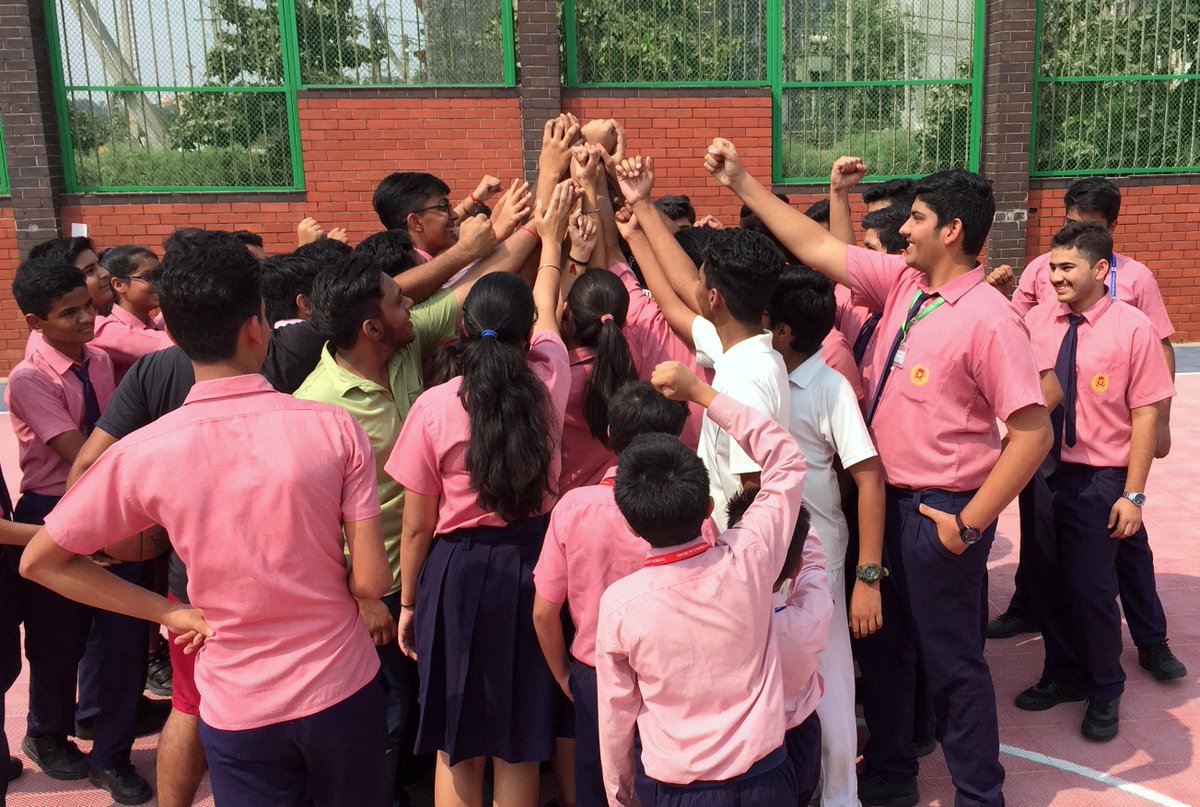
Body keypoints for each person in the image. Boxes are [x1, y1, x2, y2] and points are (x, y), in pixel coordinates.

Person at [709, 141, 1052, 807]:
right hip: (885, 504)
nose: (906, 228)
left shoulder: (990, 318)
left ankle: (981, 794)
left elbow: (1031, 431)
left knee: (952, 664)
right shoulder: (904, 285)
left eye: (918, 217)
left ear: (953, 230)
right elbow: (816, 246)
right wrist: (744, 182)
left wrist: (969, 522)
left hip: (940, 513)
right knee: (885, 650)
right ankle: (891, 772)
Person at [20, 230, 393, 807]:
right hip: (339, 684)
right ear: (256, 327)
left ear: (172, 331)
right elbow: (371, 581)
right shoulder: (332, 427)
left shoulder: (145, 451)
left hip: (237, 702)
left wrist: (167, 611)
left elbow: (41, 559)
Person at [387, 181, 576, 807]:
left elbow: (417, 527)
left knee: (456, 739)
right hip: (534, 567)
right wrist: (550, 245)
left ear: (463, 327)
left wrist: (410, 604)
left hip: (457, 574)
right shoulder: (550, 382)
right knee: (520, 738)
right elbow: (547, 308)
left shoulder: (433, 406)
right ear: (527, 337)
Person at [985, 179, 1184, 682]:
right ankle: (1042, 627)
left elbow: (1159, 346)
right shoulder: (1044, 277)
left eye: (1089, 227)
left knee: (1122, 553)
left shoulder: (1134, 282)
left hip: (1106, 444)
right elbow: (1020, 338)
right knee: (1046, 545)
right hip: (1050, 440)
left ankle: (1149, 640)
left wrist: (1160, 421)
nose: (1056, 274)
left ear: (1109, 233)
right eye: (1071, 219)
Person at [596, 361, 807, 807]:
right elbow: (785, 458)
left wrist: (619, 794)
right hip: (766, 778)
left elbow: (615, 715)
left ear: (632, 527)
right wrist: (702, 394)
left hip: (678, 790)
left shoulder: (620, 606)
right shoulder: (750, 555)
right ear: (709, 506)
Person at [1015, 222, 1174, 742]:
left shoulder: (1133, 328)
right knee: (1045, 580)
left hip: (1099, 477)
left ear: (1100, 270)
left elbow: (1147, 414)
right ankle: (1061, 673)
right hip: (1041, 471)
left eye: (1066, 268)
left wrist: (1133, 494)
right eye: (1051, 267)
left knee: (1091, 588)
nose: (1053, 277)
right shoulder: (1037, 320)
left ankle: (1105, 687)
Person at [6, 258, 152, 803]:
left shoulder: (98, 360)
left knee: (122, 639)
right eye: (69, 314)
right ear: (34, 321)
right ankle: (47, 733)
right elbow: (79, 455)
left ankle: (112, 755)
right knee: (55, 641)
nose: (87, 320)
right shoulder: (28, 378)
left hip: (112, 503)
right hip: (51, 508)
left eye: (88, 307)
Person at [533, 381, 695, 807]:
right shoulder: (691, 510)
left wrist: (566, 676)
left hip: (593, 671)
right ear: (677, 435)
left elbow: (543, 613)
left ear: (608, 431)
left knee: (597, 779)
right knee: (663, 780)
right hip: (668, 670)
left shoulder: (573, 506)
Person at [765, 266, 886, 807]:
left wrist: (868, 575)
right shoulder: (761, 376)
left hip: (819, 556)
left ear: (786, 330)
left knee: (831, 674)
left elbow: (867, 475)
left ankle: (841, 795)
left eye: (769, 321)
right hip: (768, 551)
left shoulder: (830, 386)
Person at [616, 156, 789, 530]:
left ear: (713, 298)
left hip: (740, 554)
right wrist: (640, 213)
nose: (689, 282)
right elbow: (673, 298)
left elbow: (754, 489)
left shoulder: (746, 379)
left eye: (700, 278)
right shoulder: (738, 343)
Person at [725, 489, 830, 807]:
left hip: (739, 746)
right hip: (799, 734)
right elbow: (814, 571)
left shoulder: (714, 624)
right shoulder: (810, 615)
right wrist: (798, 521)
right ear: (794, 566)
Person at [92, 246, 172, 382]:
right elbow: (178, 347)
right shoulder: (110, 332)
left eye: (159, 275)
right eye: (148, 277)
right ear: (118, 284)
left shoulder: (155, 326)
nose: (159, 282)